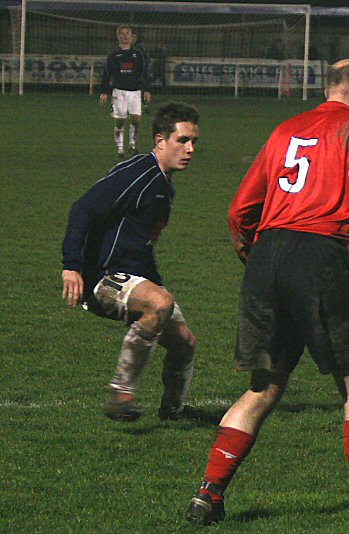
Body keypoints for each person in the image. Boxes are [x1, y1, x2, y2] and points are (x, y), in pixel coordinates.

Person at [185, 59, 349, 532]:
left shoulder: (286, 128)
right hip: (322, 257)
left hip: (267, 256)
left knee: (262, 385)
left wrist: (258, 258)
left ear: (328, 88)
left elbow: (238, 210)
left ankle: (207, 495)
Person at [61, 102, 201, 422]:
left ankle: (174, 411)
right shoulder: (139, 173)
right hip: (103, 278)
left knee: (185, 344)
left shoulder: (163, 186)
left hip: (133, 277)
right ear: (160, 141)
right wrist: (71, 266)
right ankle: (120, 393)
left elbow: (141, 244)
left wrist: (152, 284)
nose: (190, 149)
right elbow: (83, 209)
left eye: (194, 141)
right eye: (182, 140)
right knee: (160, 303)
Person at [100, 25, 152, 159]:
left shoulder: (138, 54)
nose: (125, 36)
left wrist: (147, 90)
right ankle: (120, 148)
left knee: (136, 120)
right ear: (118, 36)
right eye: (122, 34)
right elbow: (107, 73)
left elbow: (144, 73)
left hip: (135, 92)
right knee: (120, 121)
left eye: (127, 33)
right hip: (119, 92)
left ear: (131, 36)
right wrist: (104, 92)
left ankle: (132, 145)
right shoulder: (114, 55)